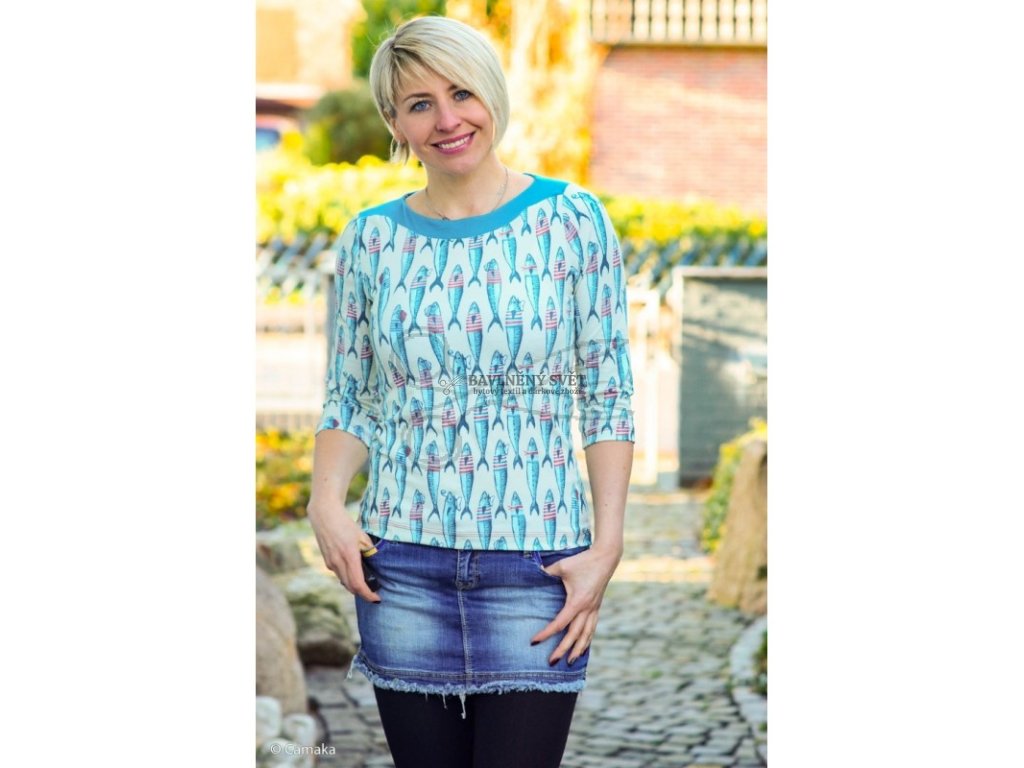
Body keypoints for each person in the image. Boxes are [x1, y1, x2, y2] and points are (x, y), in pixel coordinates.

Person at [306, 15, 635, 768]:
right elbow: (351, 394)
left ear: (492, 94)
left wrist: (607, 546)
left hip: (537, 562)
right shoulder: (370, 240)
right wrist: (325, 504)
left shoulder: (572, 221)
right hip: (400, 569)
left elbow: (607, 392)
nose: (447, 119)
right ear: (395, 122)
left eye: (461, 93)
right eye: (419, 104)